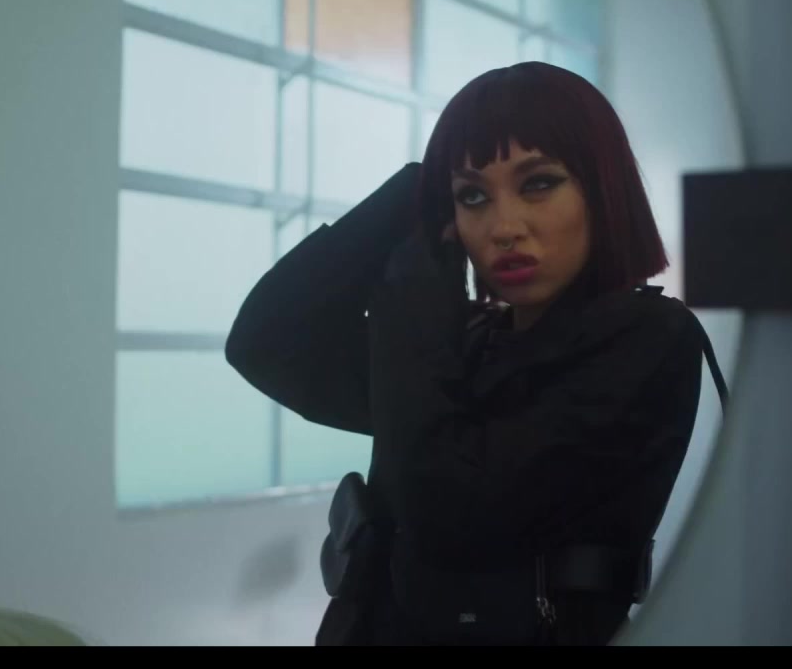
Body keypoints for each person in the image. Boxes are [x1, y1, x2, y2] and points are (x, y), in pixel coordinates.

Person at [225, 62, 723, 646]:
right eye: (472, 196)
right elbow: (265, 340)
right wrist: (408, 197)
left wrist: (414, 300)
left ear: (601, 188)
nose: (503, 227)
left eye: (538, 184)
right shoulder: (462, 339)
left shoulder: (648, 335)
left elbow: (450, 516)